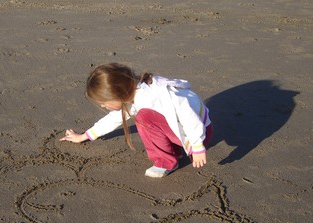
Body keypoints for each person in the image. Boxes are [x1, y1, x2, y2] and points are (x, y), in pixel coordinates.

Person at [60, 63, 213, 178]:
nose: (102, 105)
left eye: (104, 102)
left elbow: (188, 116)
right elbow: (113, 120)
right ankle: (174, 150)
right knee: (147, 116)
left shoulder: (152, 97)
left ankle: (166, 161)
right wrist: (84, 136)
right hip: (187, 130)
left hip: (198, 133)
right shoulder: (137, 91)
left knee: (144, 118)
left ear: (119, 94)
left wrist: (198, 146)